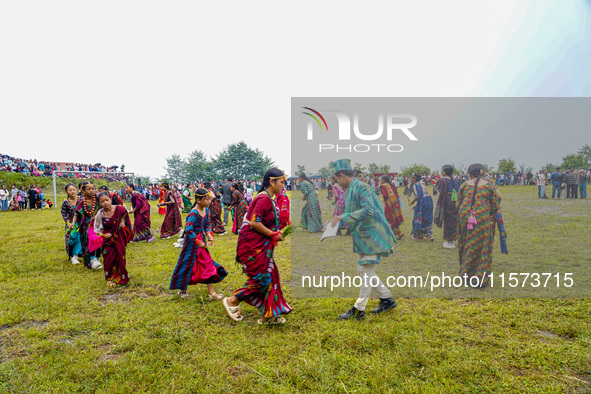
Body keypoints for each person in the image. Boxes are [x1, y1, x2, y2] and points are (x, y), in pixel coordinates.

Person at [328, 159, 397, 321]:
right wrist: (335, 221)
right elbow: (351, 213)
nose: (336, 182)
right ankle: (386, 298)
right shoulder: (351, 188)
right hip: (364, 236)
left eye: (337, 179)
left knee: (366, 271)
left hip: (373, 234)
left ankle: (359, 309)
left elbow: (368, 210)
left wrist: (341, 217)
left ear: (342, 175)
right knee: (364, 270)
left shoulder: (362, 187)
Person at [222, 168, 292, 324]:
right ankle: (233, 300)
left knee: (271, 275)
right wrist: (272, 234)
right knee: (261, 277)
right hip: (252, 245)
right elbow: (254, 221)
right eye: (281, 182)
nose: (283, 185)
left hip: (261, 244)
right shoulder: (264, 198)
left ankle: (268, 315)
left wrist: (277, 232)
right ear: (272, 182)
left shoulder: (270, 198)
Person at [170, 188, 227, 299]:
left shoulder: (206, 210)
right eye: (206, 199)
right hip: (191, 244)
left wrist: (209, 233)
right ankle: (182, 290)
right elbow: (189, 230)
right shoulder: (193, 213)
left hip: (201, 243)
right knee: (188, 265)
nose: (209, 201)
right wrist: (198, 241)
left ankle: (211, 293)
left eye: (209, 199)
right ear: (198, 200)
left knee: (208, 264)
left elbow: (206, 225)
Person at [457, 164, 500, 288]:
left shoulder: (464, 185)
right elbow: (495, 206)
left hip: (464, 216)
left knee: (466, 243)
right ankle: (478, 277)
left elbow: (458, 204)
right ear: (483, 173)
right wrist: (487, 214)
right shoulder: (489, 185)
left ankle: (465, 273)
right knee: (482, 245)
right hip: (481, 217)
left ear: (469, 174)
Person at [94, 192, 133, 287]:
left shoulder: (121, 209)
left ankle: (121, 276)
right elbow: (96, 230)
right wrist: (103, 235)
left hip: (120, 237)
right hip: (108, 241)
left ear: (111, 200)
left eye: (107, 200)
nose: (105, 203)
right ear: (99, 204)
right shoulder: (100, 213)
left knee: (120, 256)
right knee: (108, 259)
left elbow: (128, 225)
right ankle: (110, 278)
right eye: (102, 201)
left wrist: (123, 226)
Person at [70, 182, 103, 270]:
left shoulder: (98, 200)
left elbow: (104, 209)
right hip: (86, 226)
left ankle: (97, 259)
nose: (91, 191)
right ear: (83, 190)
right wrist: (73, 223)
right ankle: (92, 259)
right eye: (88, 189)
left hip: (98, 224)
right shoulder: (81, 201)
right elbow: (76, 214)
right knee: (90, 240)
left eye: (93, 189)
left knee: (99, 240)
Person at [434, 165, 461, 248]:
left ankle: (450, 241)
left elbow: (438, 188)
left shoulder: (443, 180)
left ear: (444, 172)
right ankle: (454, 238)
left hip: (448, 201)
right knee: (454, 219)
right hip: (456, 201)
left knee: (448, 221)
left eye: (442, 170)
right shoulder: (456, 180)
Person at [409, 174, 435, 242]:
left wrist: (411, 202)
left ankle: (419, 236)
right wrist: (417, 205)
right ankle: (430, 234)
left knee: (419, 217)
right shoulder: (422, 183)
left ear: (414, 179)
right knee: (426, 217)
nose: (411, 180)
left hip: (423, 201)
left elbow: (417, 196)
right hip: (429, 200)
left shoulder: (415, 185)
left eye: (412, 178)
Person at [61, 183, 82, 264]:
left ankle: (75, 256)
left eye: (74, 189)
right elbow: (63, 213)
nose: (72, 191)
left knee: (79, 238)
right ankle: (72, 254)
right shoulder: (65, 202)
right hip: (71, 224)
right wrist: (68, 223)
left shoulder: (81, 199)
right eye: (70, 190)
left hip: (81, 222)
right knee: (71, 239)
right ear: (66, 192)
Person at [379, 175, 404, 240]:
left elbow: (385, 195)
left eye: (381, 179)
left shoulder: (383, 186)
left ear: (383, 180)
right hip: (395, 203)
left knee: (389, 218)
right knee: (393, 218)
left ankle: (388, 235)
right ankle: (399, 233)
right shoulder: (391, 185)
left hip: (389, 204)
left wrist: (385, 200)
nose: (380, 181)